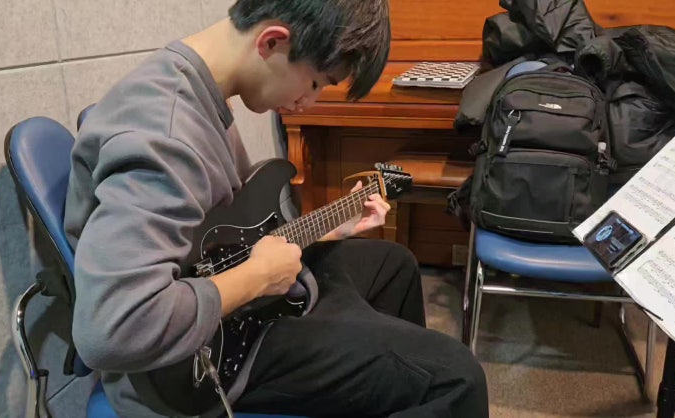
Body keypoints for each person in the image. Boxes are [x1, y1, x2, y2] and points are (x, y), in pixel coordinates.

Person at [64, 0, 489, 417]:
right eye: (316, 83)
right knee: (457, 378)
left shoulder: (195, 86)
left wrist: (328, 230)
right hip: (196, 362)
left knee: (392, 264)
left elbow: (230, 233)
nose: (311, 102)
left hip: (227, 296)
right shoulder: (166, 136)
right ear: (272, 42)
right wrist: (258, 277)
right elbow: (111, 330)